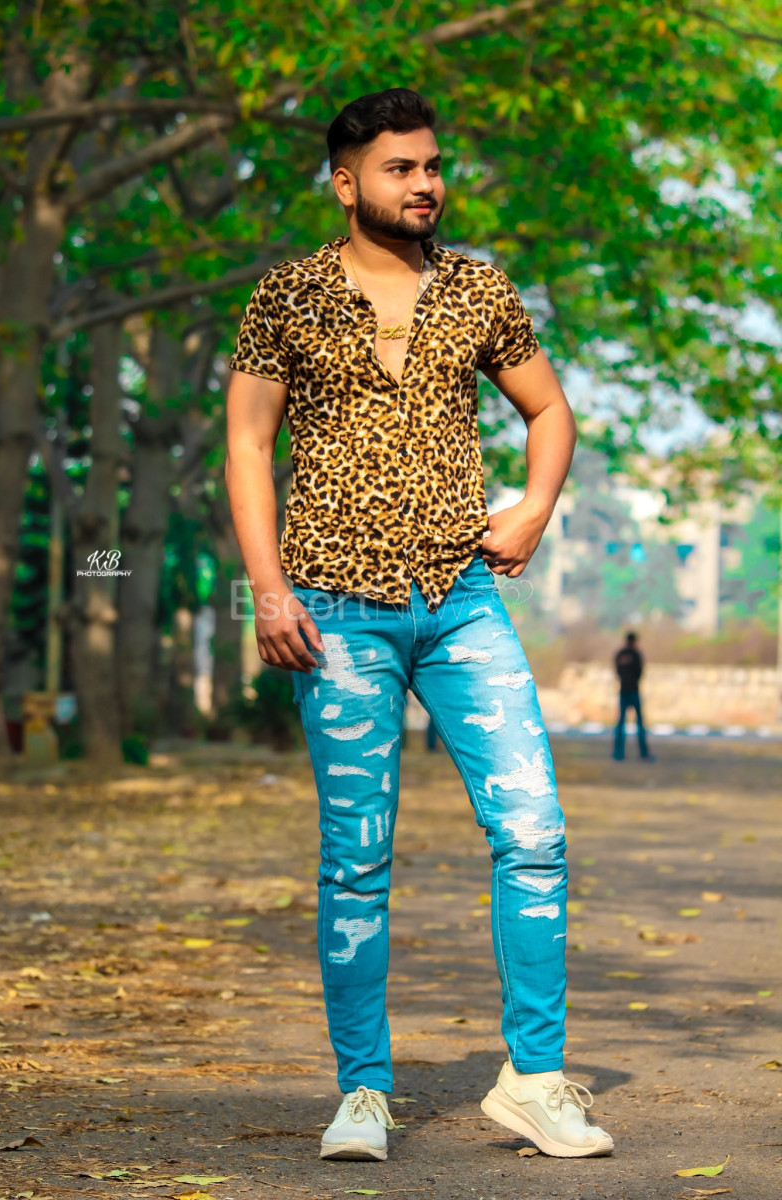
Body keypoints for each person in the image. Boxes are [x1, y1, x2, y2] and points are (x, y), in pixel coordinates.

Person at [225, 87, 613, 1164]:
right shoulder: (288, 295)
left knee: (533, 833)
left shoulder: (479, 290)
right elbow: (247, 445)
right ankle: (363, 1093)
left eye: (433, 165)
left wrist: (533, 505)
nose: (426, 184)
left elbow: (549, 409)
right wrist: (268, 588)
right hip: (333, 611)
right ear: (346, 183)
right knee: (355, 858)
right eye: (401, 168)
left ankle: (533, 1080)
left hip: (461, 602)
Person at [612, 631, 653, 761]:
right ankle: (642, 753)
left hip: (625, 690)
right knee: (637, 723)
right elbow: (640, 672)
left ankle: (619, 753)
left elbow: (618, 671)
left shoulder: (622, 654)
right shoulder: (635, 654)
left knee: (622, 723)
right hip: (632, 691)